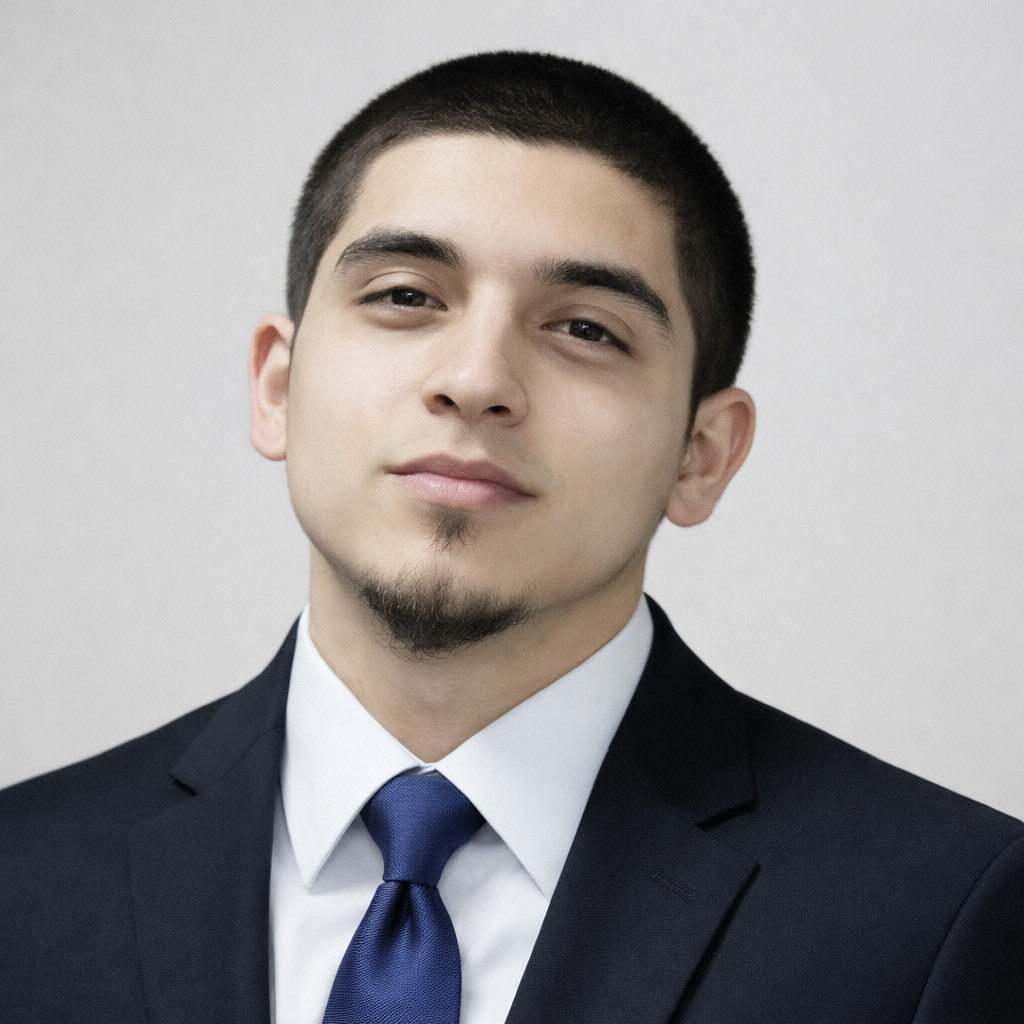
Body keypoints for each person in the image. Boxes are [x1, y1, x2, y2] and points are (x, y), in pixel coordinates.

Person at [0, 51, 1020, 1024]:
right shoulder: (23, 879)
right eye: (405, 296)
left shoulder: (937, 918)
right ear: (277, 385)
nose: (477, 379)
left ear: (700, 455)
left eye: (585, 329)